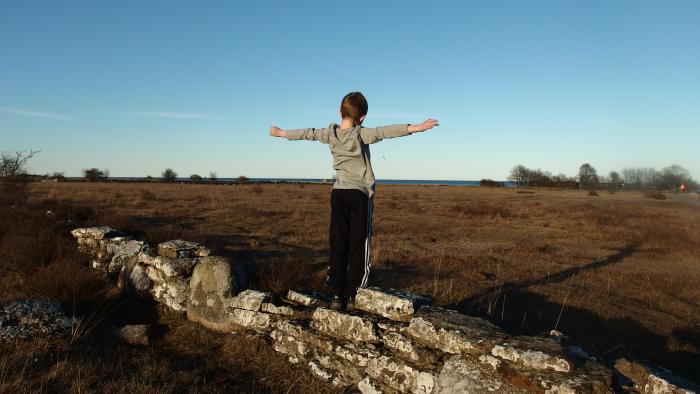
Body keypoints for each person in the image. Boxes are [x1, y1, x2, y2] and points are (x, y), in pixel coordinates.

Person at [269, 92, 438, 310]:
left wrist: (282, 133)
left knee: (338, 243)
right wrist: (415, 127)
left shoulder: (329, 134)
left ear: (340, 112)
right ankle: (352, 294)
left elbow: (307, 133)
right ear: (363, 118)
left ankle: (337, 294)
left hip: (338, 194)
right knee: (359, 244)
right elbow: (384, 132)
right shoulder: (361, 134)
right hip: (359, 194)